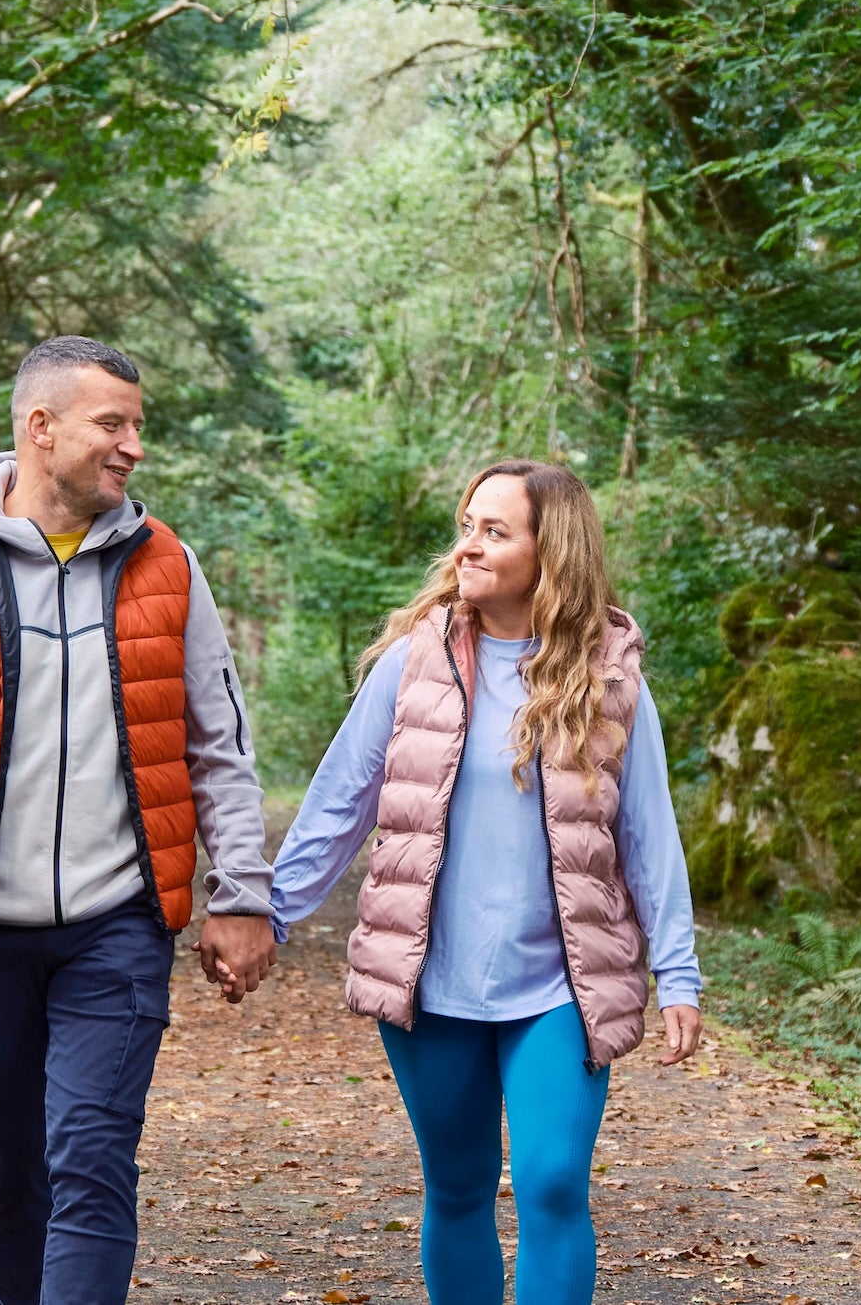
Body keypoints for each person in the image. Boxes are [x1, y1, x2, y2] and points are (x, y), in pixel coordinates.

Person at [0, 335, 279, 1305]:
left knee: (90, 1159)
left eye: (138, 427)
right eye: (112, 424)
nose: (132, 448)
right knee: (10, 1173)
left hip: (117, 929)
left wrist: (242, 894)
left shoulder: (168, 566)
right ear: (39, 429)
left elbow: (221, 745)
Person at [267, 459, 703, 1305]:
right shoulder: (415, 661)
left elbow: (649, 835)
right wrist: (264, 915)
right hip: (432, 981)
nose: (468, 544)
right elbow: (339, 801)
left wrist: (678, 969)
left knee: (549, 1185)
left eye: (494, 530)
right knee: (460, 1187)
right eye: (467, 524)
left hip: (561, 987)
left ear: (554, 549)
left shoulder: (611, 674)